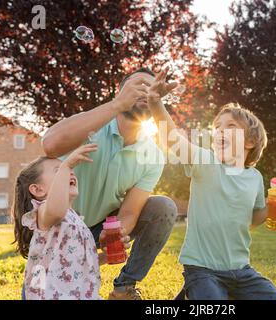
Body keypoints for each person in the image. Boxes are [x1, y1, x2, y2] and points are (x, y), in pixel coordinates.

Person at [147, 68, 276, 300]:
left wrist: (269, 210)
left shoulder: (254, 178)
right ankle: (191, 293)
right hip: (202, 270)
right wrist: (155, 103)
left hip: (241, 270)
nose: (221, 131)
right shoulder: (206, 162)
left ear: (251, 142)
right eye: (218, 128)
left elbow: (250, 220)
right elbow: (173, 140)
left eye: (231, 126)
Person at [41, 68, 178, 300]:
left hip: (98, 228)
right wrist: (117, 105)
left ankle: (124, 288)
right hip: (57, 228)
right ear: (120, 92)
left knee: (164, 208)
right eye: (139, 85)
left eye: (152, 87)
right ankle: (73, 264)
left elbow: (130, 211)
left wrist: (116, 233)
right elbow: (50, 145)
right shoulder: (92, 125)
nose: (146, 91)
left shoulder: (153, 155)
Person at [12, 145, 129, 300]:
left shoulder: (75, 219)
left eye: (66, 169)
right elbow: (56, 209)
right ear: (38, 190)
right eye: (58, 171)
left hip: (77, 293)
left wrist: (104, 257)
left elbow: (75, 262)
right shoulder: (44, 212)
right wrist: (66, 165)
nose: (70, 171)